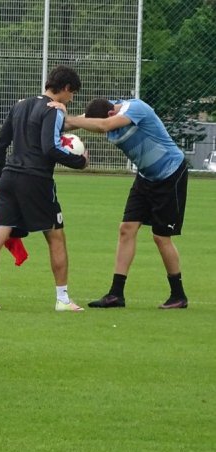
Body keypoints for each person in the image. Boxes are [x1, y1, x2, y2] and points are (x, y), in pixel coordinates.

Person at [59, 97, 189, 309]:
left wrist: (75, 121)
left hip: (170, 174)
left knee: (161, 237)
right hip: (146, 177)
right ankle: (116, 294)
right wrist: (47, 112)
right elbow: (72, 122)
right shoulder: (103, 111)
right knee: (126, 229)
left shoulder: (136, 109)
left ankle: (178, 295)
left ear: (112, 114)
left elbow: (103, 125)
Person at [0, 65, 89, 312]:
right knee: (56, 236)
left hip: (9, 177)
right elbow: (49, 148)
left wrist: (1, 176)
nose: (71, 100)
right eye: (72, 95)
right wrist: (79, 162)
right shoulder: (54, 110)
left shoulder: (20, 105)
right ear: (65, 89)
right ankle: (62, 300)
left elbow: (0, 144)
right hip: (36, 180)